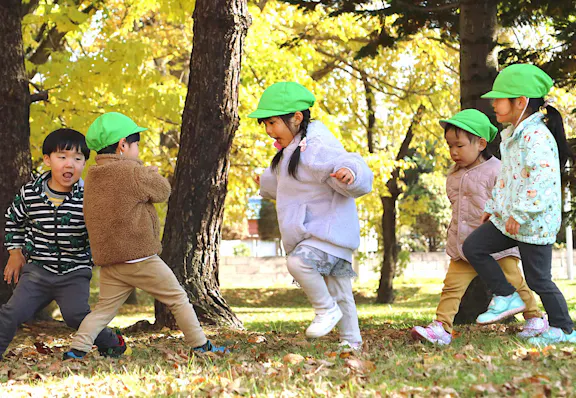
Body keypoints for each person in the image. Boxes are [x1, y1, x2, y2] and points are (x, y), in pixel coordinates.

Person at [63, 113, 226, 359]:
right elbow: (163, 191)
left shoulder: (93, 177)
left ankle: (77, 350)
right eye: (136, 143)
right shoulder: (133, 172)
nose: (137, 149)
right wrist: (150, 172)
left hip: (110, 260)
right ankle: (200, 345)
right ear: (122, 145)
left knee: (102, 311)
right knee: (178, 298)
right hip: (139, 257)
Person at [250, 82, 373, 350]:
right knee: (341, 292)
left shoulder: (314, 145)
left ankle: (325, 310)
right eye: (266, 124)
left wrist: (349, 173)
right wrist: (265, 180)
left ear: (296, 118)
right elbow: (291, 185)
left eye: (272, 123)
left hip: (323, 232)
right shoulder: (293, 149)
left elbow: (350, 161)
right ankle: (352, 342)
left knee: (298, 263)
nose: (269, 130)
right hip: (328, 235)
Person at [462, 64, 576, 345]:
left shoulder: (536, 137)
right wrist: (493, 206)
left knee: (539, 280)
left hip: (533, 222)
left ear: (520, 102)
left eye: (499, 99)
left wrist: (521, 213)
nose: (494, 104)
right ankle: (505, 295)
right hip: (509, 218)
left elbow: (540, 180)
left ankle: (565, 329)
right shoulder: (514, 135)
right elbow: (507, 177)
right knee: (474, 247)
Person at [411, 109, 546, 345]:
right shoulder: (453, 175)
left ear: (481, 143)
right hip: (463, 246)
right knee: (451, 288)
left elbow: (509, 201)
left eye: (459, 146)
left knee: (514, 281)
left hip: (496, 244)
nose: (453, 151)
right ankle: (441, 328)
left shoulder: (498, 170)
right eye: (450, 145)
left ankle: (535, 318)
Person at [1, 129, 126, 359]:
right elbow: (13, 220)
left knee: (76, 315)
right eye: (62, 157)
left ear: (84, 163)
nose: (70, 164)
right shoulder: (30, 193)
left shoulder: (89, 195)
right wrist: (15, 252)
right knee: (12, 311)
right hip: (38, 270)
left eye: (78, 159)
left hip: (74, 271)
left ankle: (112, 340)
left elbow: (103, 229)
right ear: (48, 160)